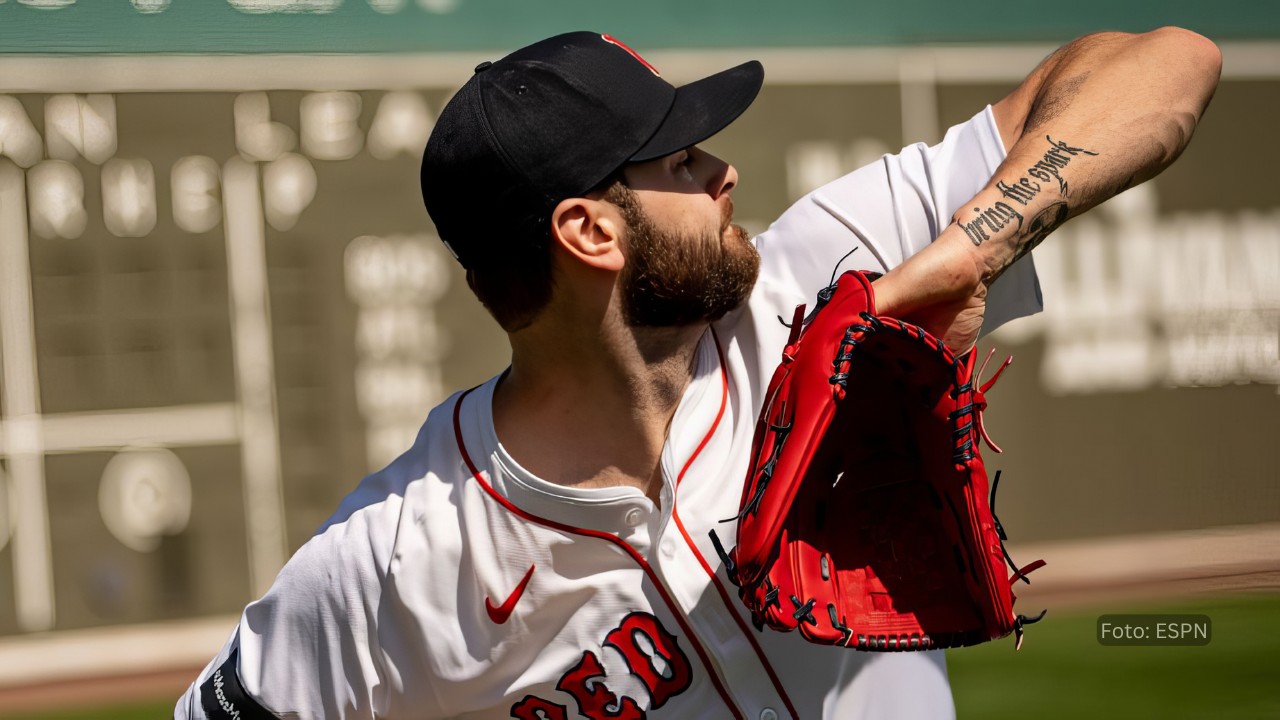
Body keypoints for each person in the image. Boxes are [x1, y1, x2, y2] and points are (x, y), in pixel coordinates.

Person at [178, 28, 1219, 719]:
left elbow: (1167, 65)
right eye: (677, 162)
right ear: (589, 230)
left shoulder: (823, 280)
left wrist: (977, 240)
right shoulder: (390, 566)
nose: (723, 173)